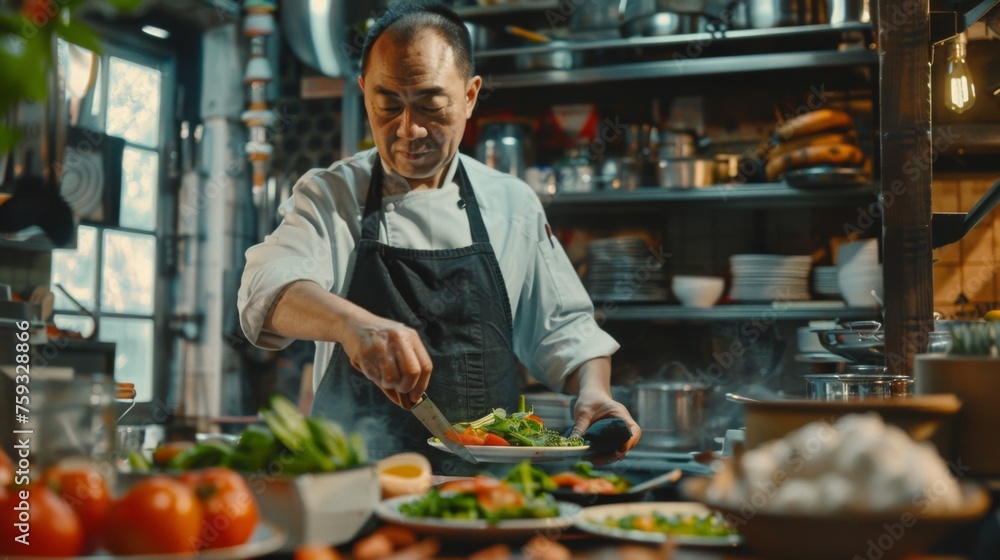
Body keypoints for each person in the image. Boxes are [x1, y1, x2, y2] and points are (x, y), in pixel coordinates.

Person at [237, 2, 640, 465]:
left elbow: (565, 330)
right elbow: (266, 289)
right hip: (357, 483)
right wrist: (352, 324)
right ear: (364, 91)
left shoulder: (512, 203)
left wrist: (595, 392)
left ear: (469, 96)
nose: (409, 129)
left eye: (431, 105)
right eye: (388, 105)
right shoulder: (332, 194)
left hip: (486, 494)